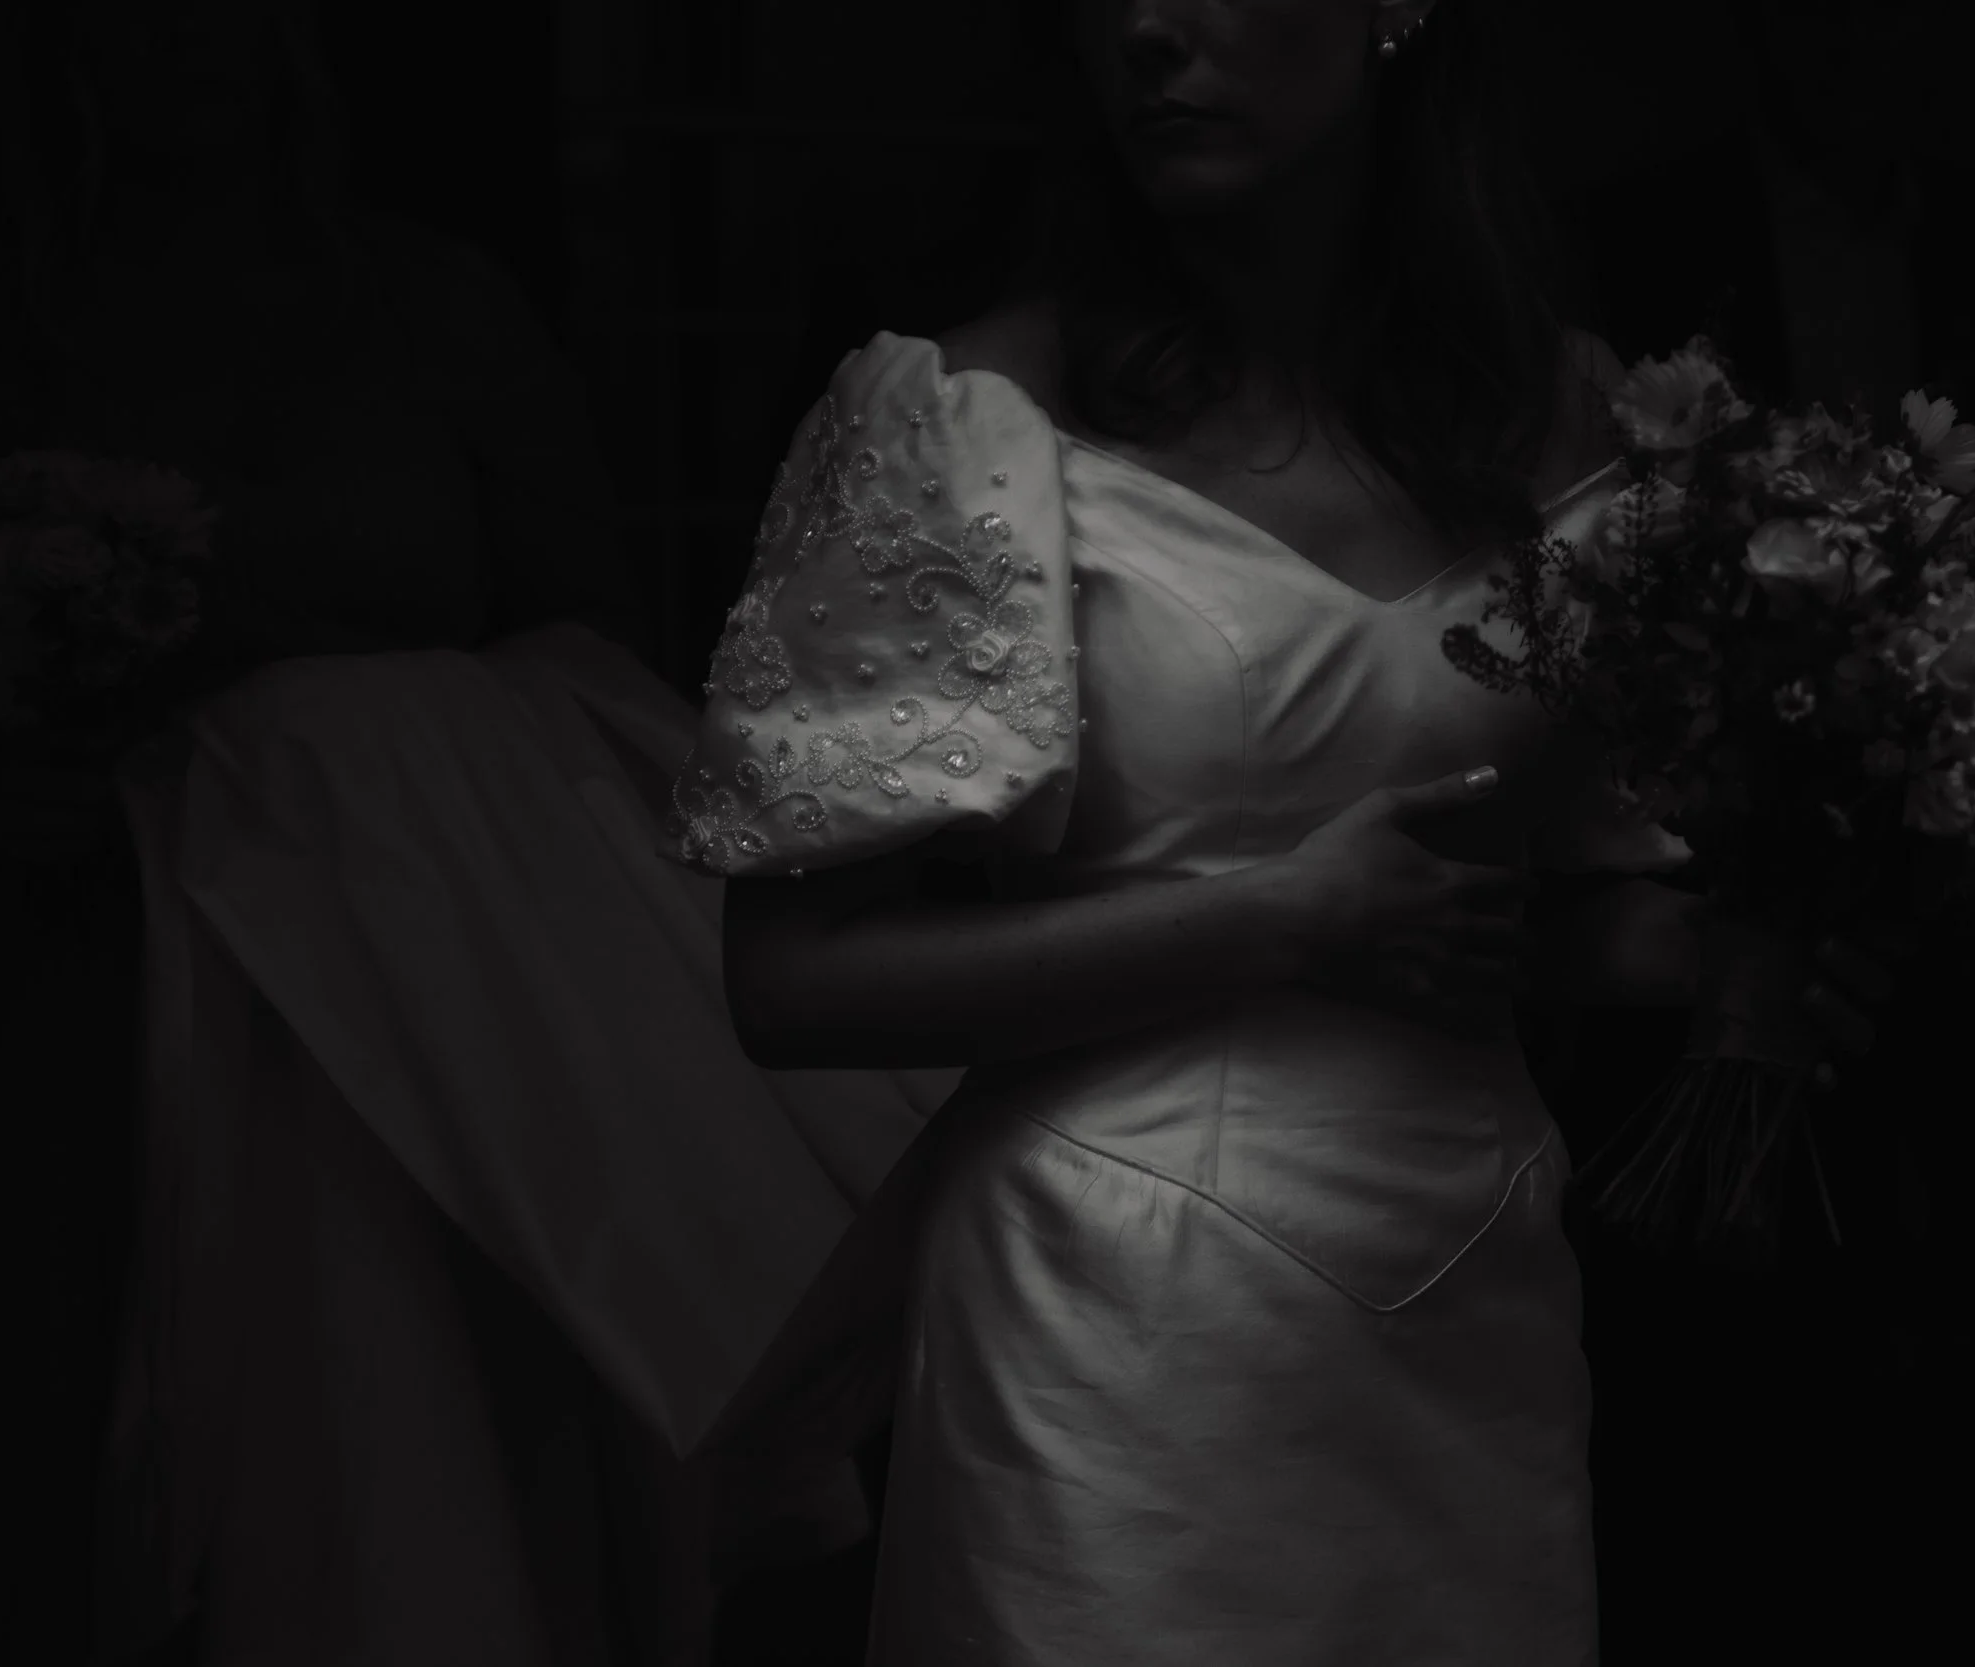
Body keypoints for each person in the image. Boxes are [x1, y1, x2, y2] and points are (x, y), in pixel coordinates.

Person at [665, 3, 1877, 1659]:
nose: (1147, 32)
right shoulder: (965, 417)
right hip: (1110, 1309)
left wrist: (1751, 950)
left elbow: (1532, 905)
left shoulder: (1589, 416)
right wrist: (1272, 922)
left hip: (1471, 1281)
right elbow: (789, 982)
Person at [0, 4, 952, 1664]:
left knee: (413, 1407)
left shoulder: (431, 312)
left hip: (411, 978)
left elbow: (588, 632)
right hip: (88, 968)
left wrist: (400, 762)